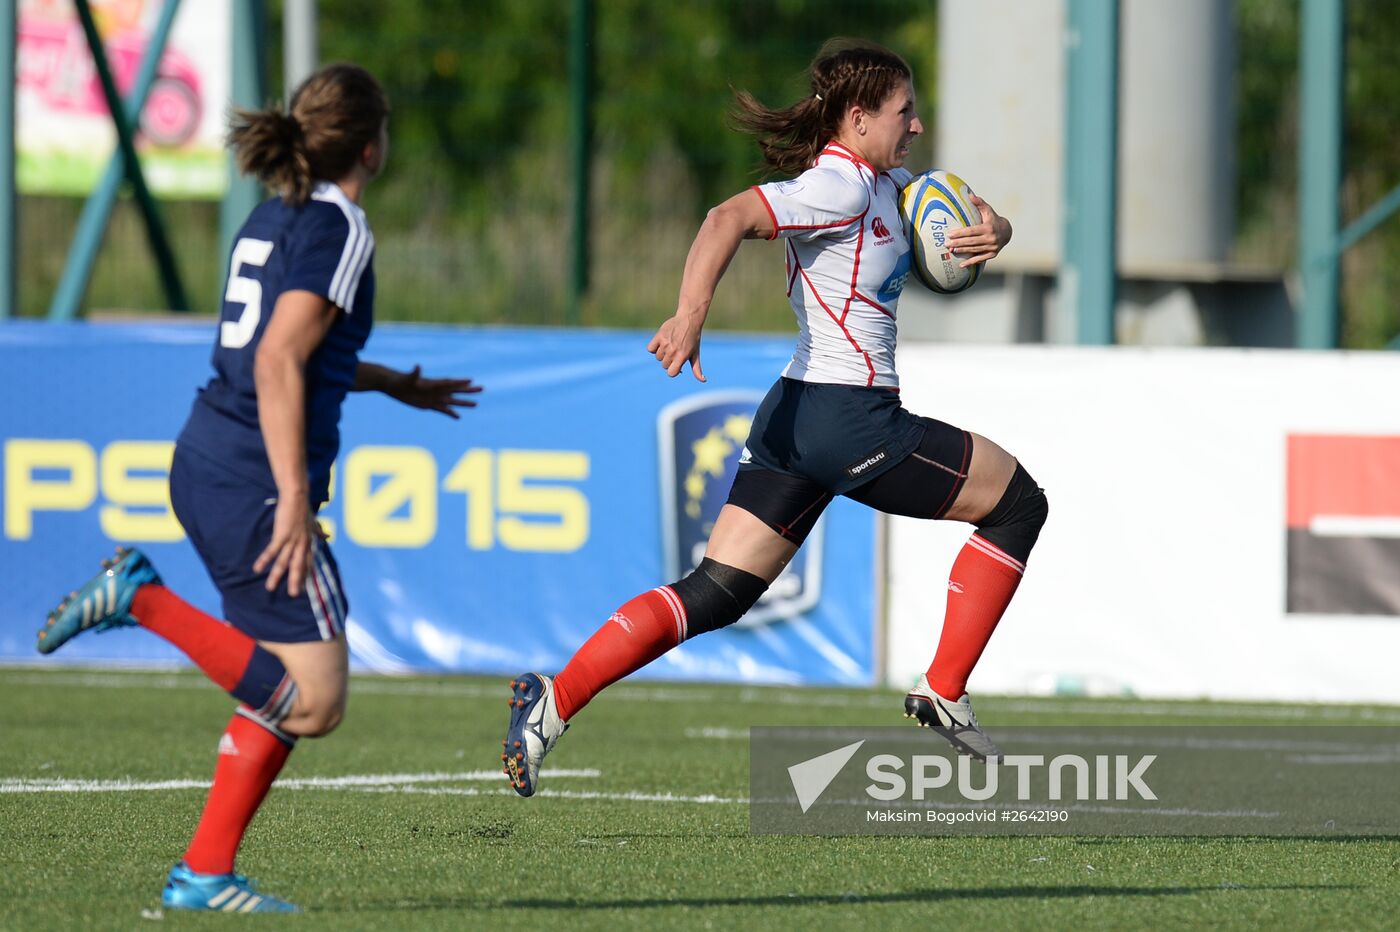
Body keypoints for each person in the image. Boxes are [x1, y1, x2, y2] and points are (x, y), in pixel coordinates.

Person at [502, 38, 1046, 796]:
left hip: (795, 415)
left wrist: (999, 231)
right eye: (904, 111)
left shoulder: (888, 179)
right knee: (1019, 502)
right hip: (852, 418)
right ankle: (944, 688)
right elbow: (725, 217)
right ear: (858, 118)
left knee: (716, 592)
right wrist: (691, 314)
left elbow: (962, 220)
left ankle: (551, 703)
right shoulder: (840, 188)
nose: (917, 125)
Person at [37, 63, 480, 912]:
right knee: (314, 699)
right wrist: (293, 500)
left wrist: (392, 384)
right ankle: (140, 598)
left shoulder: (276, 213)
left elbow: (291, 352)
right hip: (251, 478)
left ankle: (203, 874)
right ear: (370, 144)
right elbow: (277, 358)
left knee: (280, 682)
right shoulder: (342, 226)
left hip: (208, 458)